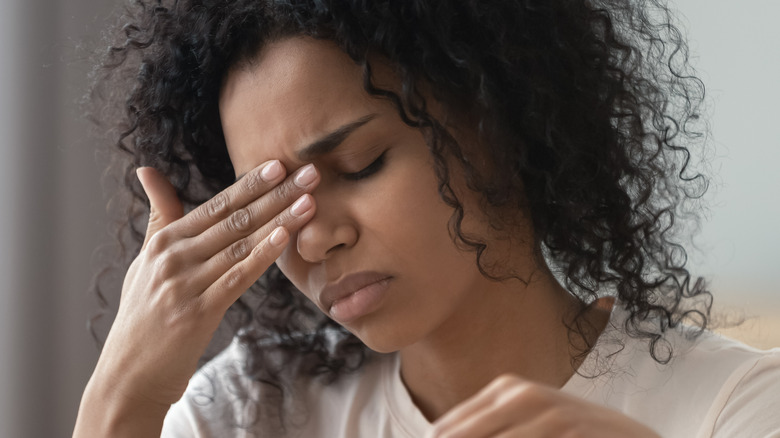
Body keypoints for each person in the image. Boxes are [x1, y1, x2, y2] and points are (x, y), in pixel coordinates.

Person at [73, 1, 780, 437]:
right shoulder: (250, 413)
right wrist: (122, 396)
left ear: (502, 117)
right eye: (274, 205)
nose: (315, 236)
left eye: (360, 164)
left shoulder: (735, 408)